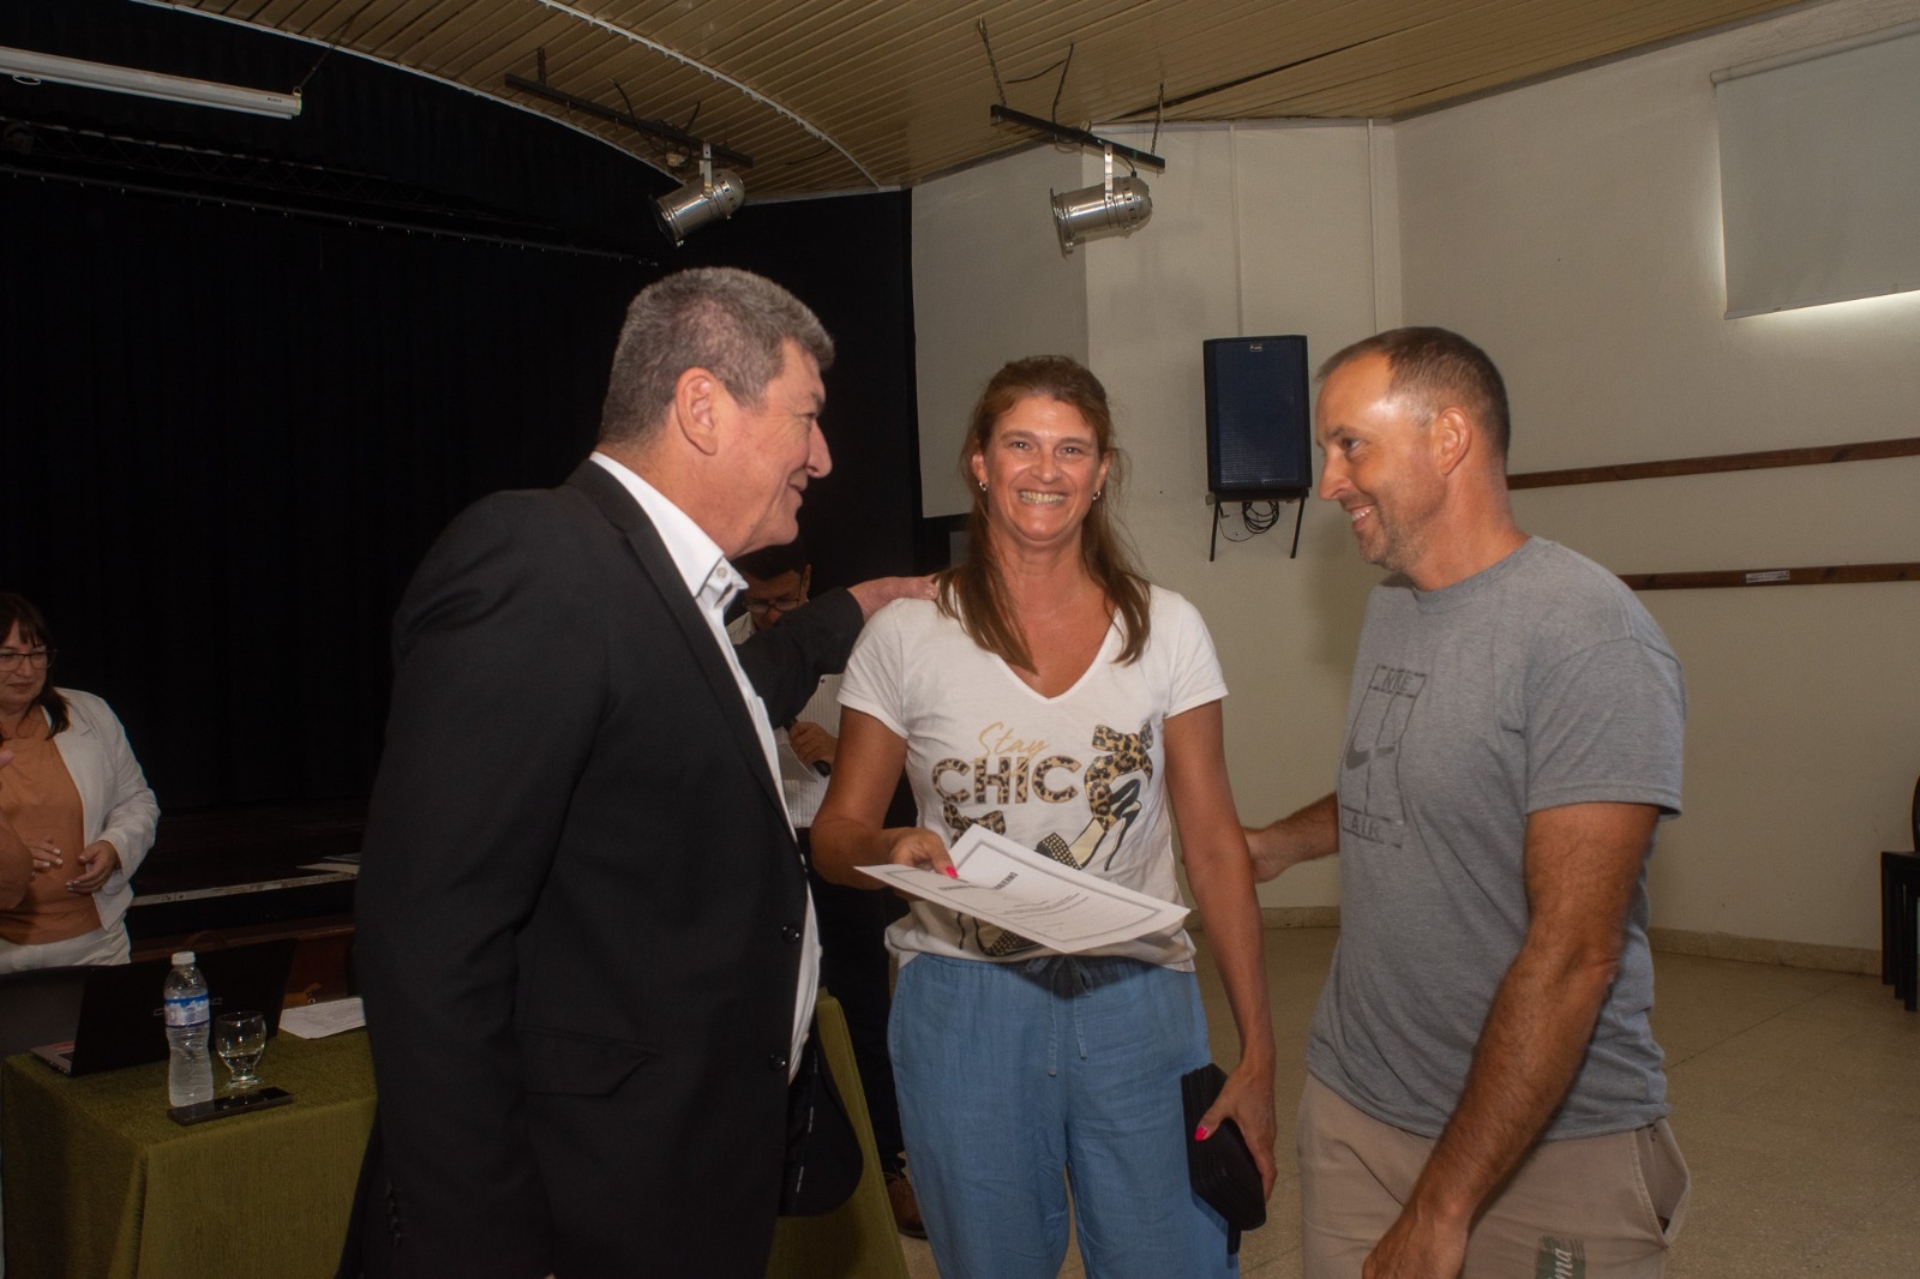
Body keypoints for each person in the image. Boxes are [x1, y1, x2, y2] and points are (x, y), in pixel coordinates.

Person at [347, 267, 934, 1279]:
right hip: (571, 1214)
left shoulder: (656, 587)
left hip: (675, 1184)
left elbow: (707, 708)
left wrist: (853, 607)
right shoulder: (539, 559)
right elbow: (430, 943)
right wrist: (490, 1251)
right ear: (702, 406)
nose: (823, 457)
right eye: (806, 418)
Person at [811, 355, 1276, 1278]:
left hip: (1138, 993)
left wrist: (1259, 1049)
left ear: (1102, 472)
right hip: (964, 1001)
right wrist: (889, 845)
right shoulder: (907, 635)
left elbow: (1216, 847)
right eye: (1021, 443)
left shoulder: (1166, 628)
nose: (1046, 469)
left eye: (1072, 449)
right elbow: (834, 838)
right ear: (980, 463)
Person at [1244, 328, 1689, 1277]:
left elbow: (1574, 953)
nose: (1328, 482)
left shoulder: (1589, 636)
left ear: (1449, 438)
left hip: (1542, 1144)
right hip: (1360, 1109)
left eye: (1349, 445)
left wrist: (1442, 1206)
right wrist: (1275, 845)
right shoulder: (1395, 605)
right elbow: (1405, 774)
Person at [726, 538, 927, 1238]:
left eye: (785, 599)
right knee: (763, 1023)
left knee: (864, 1012)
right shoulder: (724, 650)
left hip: (838, 856)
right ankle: (764, 1182)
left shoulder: (861, 647)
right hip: (760, 857)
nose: (773, 616)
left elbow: (912, 764)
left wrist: (841, 755)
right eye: (759, 603)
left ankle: (891, 1167)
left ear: (809, 578)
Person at [0, 593, 158, 973]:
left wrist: (114, 846)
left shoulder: (89, 713)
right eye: (8, 656)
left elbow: (137, 800)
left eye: (37, 654)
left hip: (97, 944)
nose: (26, 670)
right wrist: (11, 855)